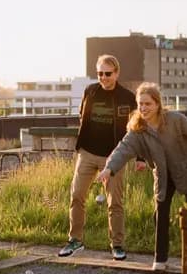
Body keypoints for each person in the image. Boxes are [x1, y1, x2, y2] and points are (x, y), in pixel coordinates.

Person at [97, 82, 187, 271]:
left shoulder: (175, 119)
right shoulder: (137, 129)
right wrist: (109, 169)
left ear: (158, 104)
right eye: (140, 104)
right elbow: (123, 148)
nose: (143, 108)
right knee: (160, 215)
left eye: (148, 104)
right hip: (163, 174)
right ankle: (160, 259)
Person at [58, 55, 141, 261]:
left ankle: (117, 244)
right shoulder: (90, 91)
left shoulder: (127, 97)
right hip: (87, 153)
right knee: (77, 195)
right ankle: (75, 240)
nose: (103, 77)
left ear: (117, 73)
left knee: (115, 203)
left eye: (108, 73)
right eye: (100, 73)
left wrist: (140, 157)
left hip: (114, 157)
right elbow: (81, 115)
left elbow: (137, 129)